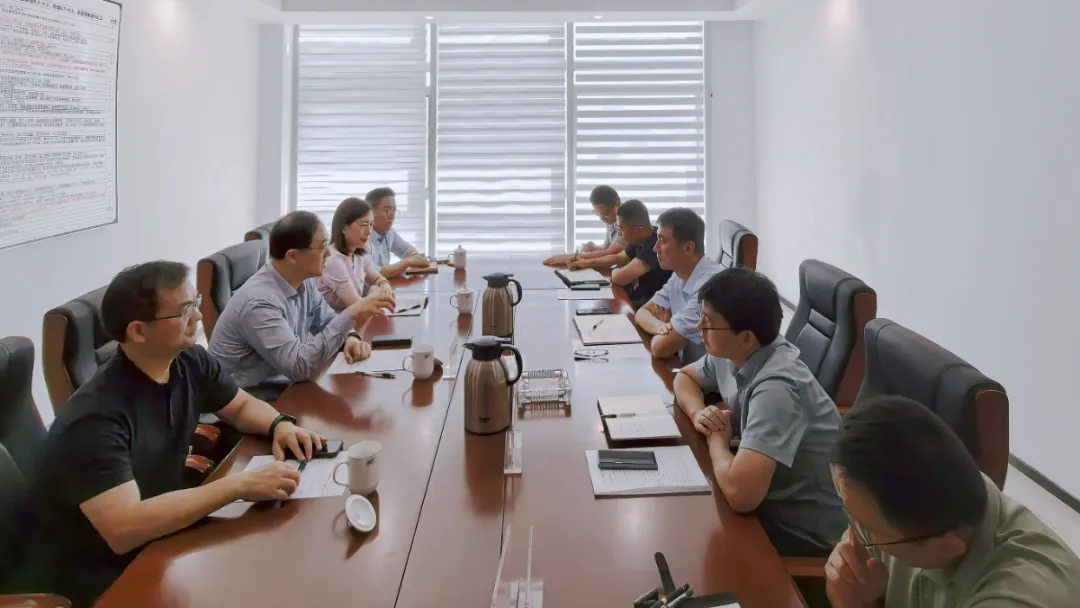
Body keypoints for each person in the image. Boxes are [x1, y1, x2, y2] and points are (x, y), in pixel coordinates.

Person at [19, 261, 325, 606]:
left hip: (160, 534)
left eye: (196, 303)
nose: (198, 317)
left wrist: (279, 424)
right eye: (184, 311)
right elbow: (124, 528)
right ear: (138, 331)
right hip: (95, 573)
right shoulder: (95, 418)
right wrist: (238, 486)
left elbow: (239, 406)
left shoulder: (189, 361)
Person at [826, 395, 1080, 608]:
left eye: (867, 529)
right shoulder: (913, 499)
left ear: (947, 547)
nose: (855, 536)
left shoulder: (1017, 597)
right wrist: (865, 593)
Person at [674, 268, 845, 557]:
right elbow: (684, 378)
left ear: (746, 338)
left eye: (709, 322)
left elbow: (740, 496)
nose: (699, 326)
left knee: (685, 540)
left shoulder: (778, 388)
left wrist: (716, 441)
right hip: (765, 500)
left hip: (801, 532)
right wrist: (698, 413)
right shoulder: (732, 352)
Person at [209, 211, 394, 395]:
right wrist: (352, 313)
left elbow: (327, 319)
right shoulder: (258, 303)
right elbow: (299, 367)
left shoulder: (303, 279)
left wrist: (350, 338)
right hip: (245, 398)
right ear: (292, 256)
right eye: (322, 247)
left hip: (283, 384)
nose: (329, 253)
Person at [633, 207, 720, 363]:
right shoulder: (680, 274)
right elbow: (642, 313)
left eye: (662, 240)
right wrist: (661, 326)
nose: (655, 248)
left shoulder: (708, 289)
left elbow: (660, 348)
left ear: (688, 248)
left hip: (704, 375)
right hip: (685, 366)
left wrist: (666, 330)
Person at [566, 199, 672, 309]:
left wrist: (615, 269)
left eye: (622, 228)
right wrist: (585, 263)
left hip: (652, 306)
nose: (619, 233)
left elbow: (619, 278)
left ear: (637, 230)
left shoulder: (654, 245)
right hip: (636, 297)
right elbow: (616, 258)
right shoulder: (639, 239)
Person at [317, 197, 394, 311]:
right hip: (335, 320)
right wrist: (374, 291)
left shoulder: (359, 254)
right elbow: (359, 307)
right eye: (363, 225)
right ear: (343, 227)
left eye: (371, 225)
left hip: (352, 318)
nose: (368, 231)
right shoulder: (332, 259)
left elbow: (376, 278)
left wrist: (384, 284)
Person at [543, 185, 625, 267]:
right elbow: (606, 248)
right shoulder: (612, 220)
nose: (602, 218)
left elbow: (611, 252)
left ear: (617, 204)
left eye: (604, 214)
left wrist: (571, 256)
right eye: (597, 213)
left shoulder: (625, 221)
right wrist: (594, 248)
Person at [367, 186, 429, 278]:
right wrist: (409, 261)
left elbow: (406, 250)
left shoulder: (389, 233)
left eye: (394, 210)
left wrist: (416, 257)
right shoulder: (362, 238)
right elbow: (376, 273)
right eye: (387, 210)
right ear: (370, 212)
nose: (392, 215)